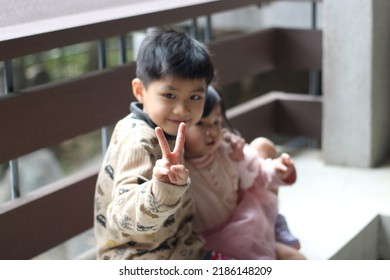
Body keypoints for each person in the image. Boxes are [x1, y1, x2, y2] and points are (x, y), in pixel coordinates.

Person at [93, 29, 215, 260]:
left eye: (195, 97)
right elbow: (121, 214)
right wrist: (160, 192)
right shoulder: (139, 141)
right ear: (140, 91)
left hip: (178, 250)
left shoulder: (170, 127)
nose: (183, 109)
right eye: (169, 96)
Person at [184, 85, 305, 260]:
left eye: (217, 122)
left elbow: (258, 170)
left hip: (248, 224)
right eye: (201, 123)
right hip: (213, 245)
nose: (211, 131)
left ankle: (275, 225)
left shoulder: (227, 150)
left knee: (296, 258)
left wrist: (279, 170)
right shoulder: (180, 166)